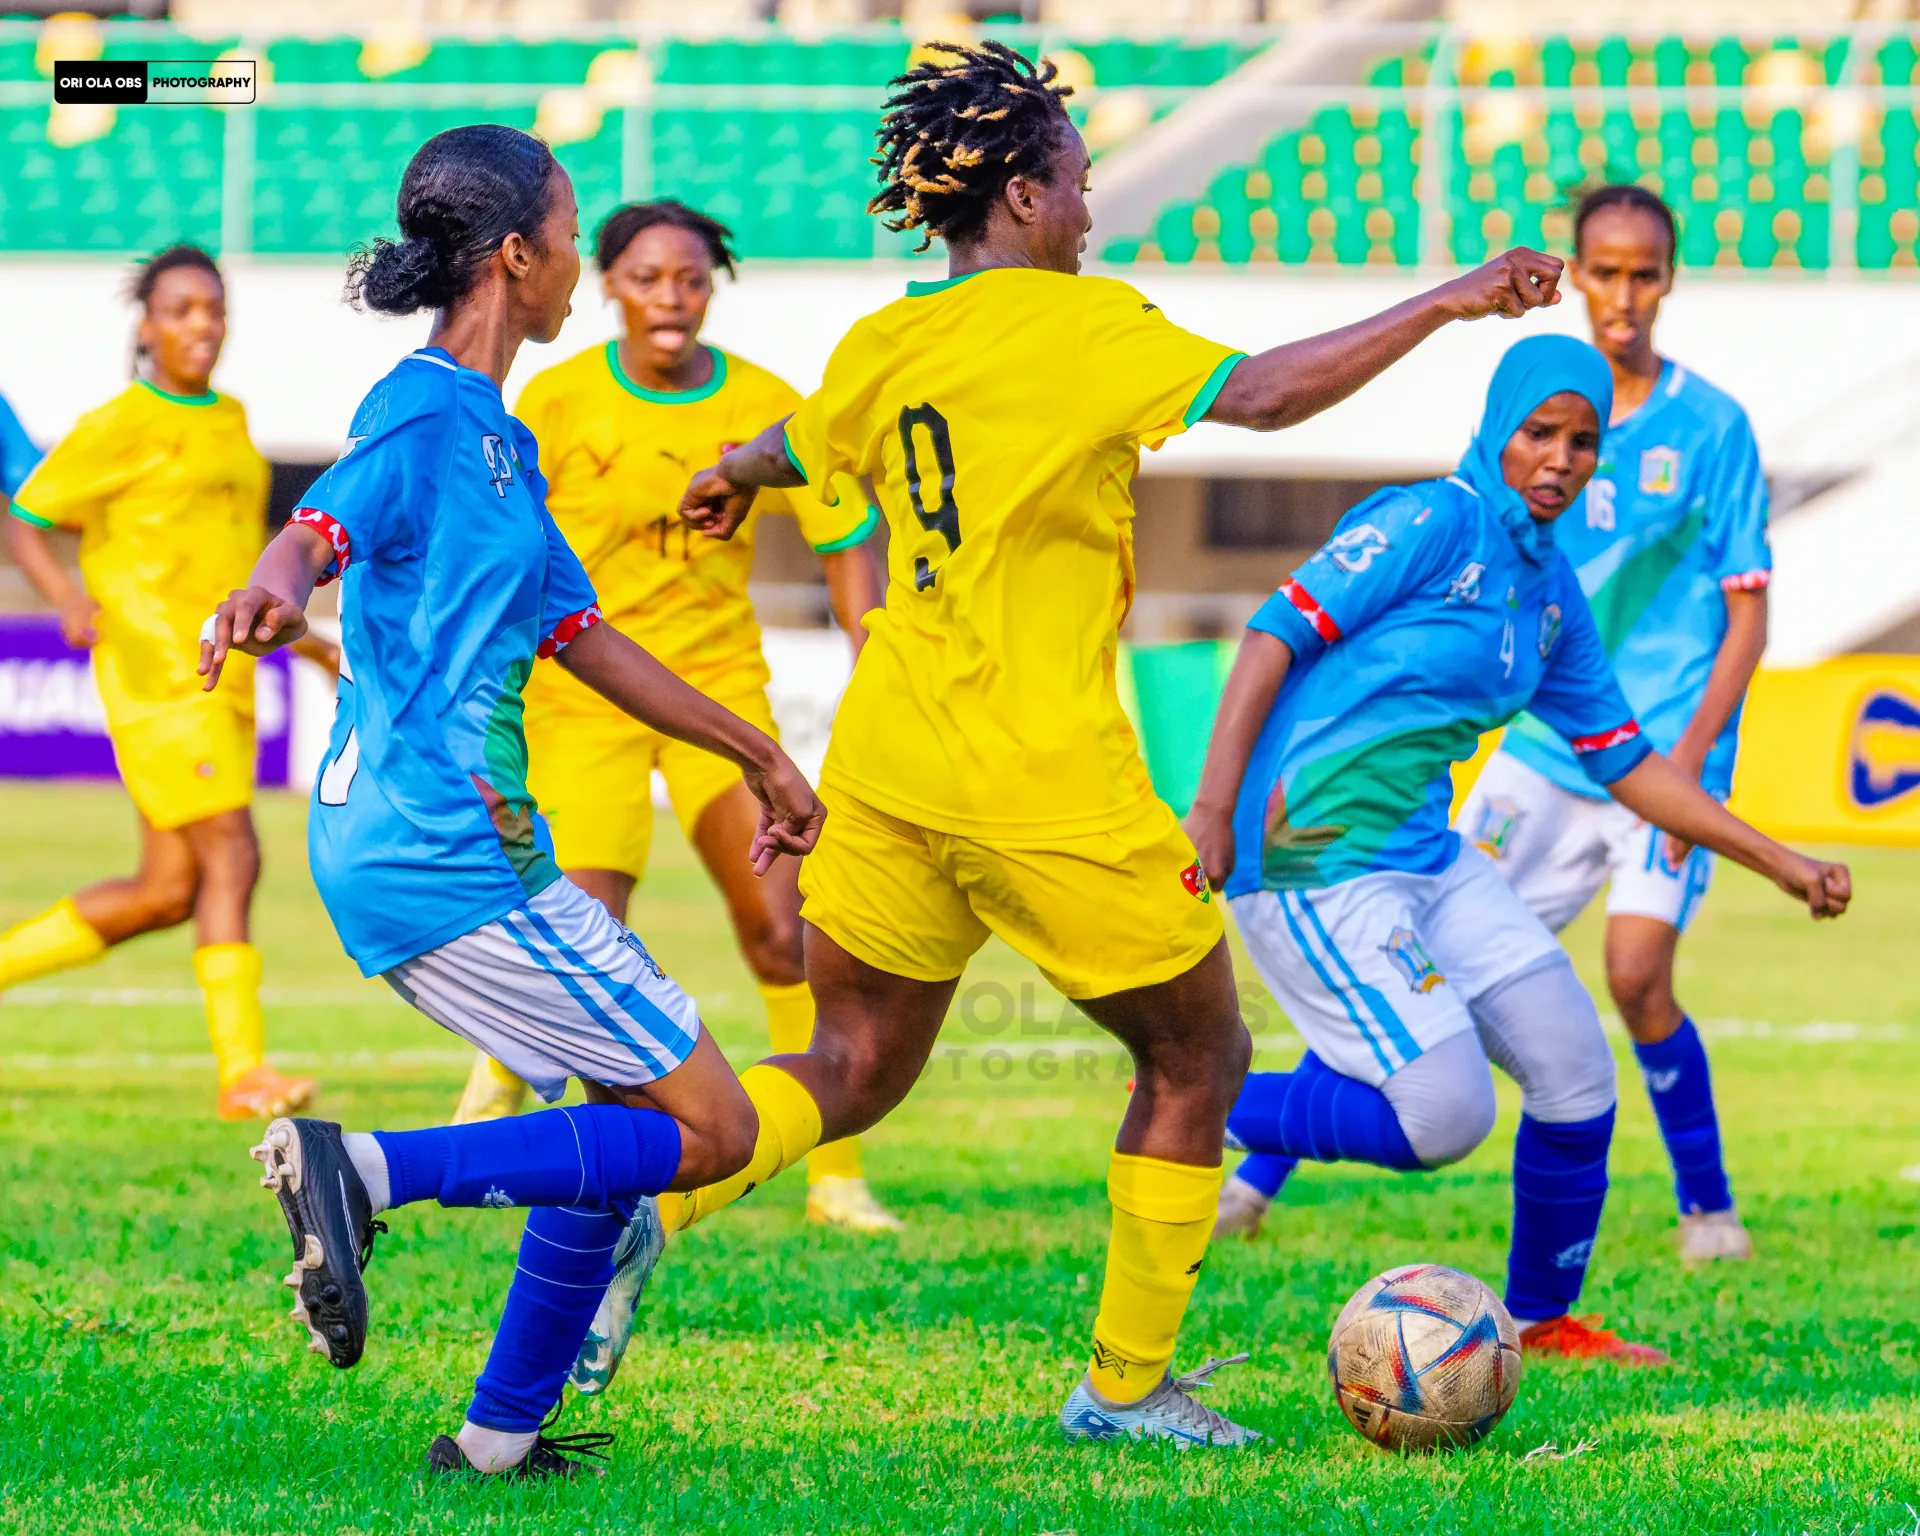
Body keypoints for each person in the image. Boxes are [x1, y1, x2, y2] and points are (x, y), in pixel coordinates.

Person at [569, 40, 1568, 1449]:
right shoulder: (1087, 328)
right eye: (1082, 178)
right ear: (1030, 196)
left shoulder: (887, 343)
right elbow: (1270, 393)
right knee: (1197, 1063)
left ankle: (646, 1206)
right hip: (1044, 780)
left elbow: (802, 440)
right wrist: (1454, 298)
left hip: (890, 768)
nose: (1094, 204)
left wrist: (727, 474)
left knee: (850, 1059)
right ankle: (1123, 1388)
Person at [200, 125, 824, 1480]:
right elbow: (325, 519)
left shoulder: (500, 444)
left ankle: (496, 1442)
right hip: (447, 853)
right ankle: (360, 1172)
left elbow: (585, 638)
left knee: (611, 1127)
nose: (584, 274)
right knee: (705, 1129)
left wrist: (757, 754)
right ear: (522, 258)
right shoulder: (425, 413)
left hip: (416, 848)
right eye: (573, 234)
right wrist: (274, 582)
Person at [1183, 335, 1849, 1366]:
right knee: (1444, 1117)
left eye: (1583, 442)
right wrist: (1214, 805)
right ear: (1500, 428)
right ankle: (1189, 1097)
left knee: (1578, 1071)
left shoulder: (1549, 590)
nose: (1562, 459)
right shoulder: (1429, 520)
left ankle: (1540, 1322)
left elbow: (1626, 760)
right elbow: (1275, 632)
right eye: (1541, 433)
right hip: (1314, 857)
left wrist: (1780, 860)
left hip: (1428, 857)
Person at [457, 200, 897, 1234]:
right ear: (606, 283)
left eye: (690, 279)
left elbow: (848, 530)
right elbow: (495, 544)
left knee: (784, 929)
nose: (669, 298)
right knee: (580, 932)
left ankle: (836, 1173)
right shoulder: (553, 403)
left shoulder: (763, 402)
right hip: (579, 698)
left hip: (715, 696)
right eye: (646, 278)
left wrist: (870, 645)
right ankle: (504, 1086)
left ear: (712, 289)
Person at [1453, 185, 1771, 1264]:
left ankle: (1708, 1209)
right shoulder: (1539, 415)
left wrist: (1686, 773)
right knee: (1434, 957)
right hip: (1544, 750)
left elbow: (1747, 613)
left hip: (1665, 753)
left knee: (1636, 976)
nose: (1623, 295)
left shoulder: (1713, 426)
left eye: (1644, 274)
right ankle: (1253, 1183)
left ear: (1668, 281)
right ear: (1575, 276)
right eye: (1605, 271)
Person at [0, 246, 322, 1120]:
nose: (201, 325)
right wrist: (67, 596)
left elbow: (224, 558)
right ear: (146, 326)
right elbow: (27, 512)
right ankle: (243, 1072)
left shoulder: (233, 418)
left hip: (223, 679)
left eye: (213, 309)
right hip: (156, 675)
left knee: (167, 891)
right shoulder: (121, 420)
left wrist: (305, 642)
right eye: (180, 309)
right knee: (235, 852)